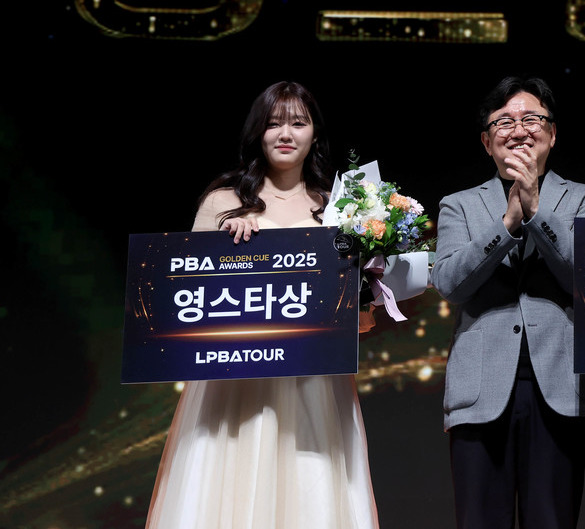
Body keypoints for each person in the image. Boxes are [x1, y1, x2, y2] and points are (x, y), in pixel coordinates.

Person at [146, 81, 426, 529]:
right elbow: (186, 301)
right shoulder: (224, 202)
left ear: (314, 134)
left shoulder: (338, 209)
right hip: (236, 380)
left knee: (311, 495)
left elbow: (356, 313)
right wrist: (227, 246)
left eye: (298, 122)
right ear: (258, 131)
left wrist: (359, 303)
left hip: (312, 382)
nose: (285, 133)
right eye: (274, 123)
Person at [431, 76, 585, 529]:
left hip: (561, 387)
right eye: (504, 122)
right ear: (487, 141)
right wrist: (508, 224)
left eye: (531, 119)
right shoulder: (458, 205)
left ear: (553, 133)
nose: (519, 130)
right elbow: (448, 283)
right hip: (479, 390)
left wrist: (536, 210)